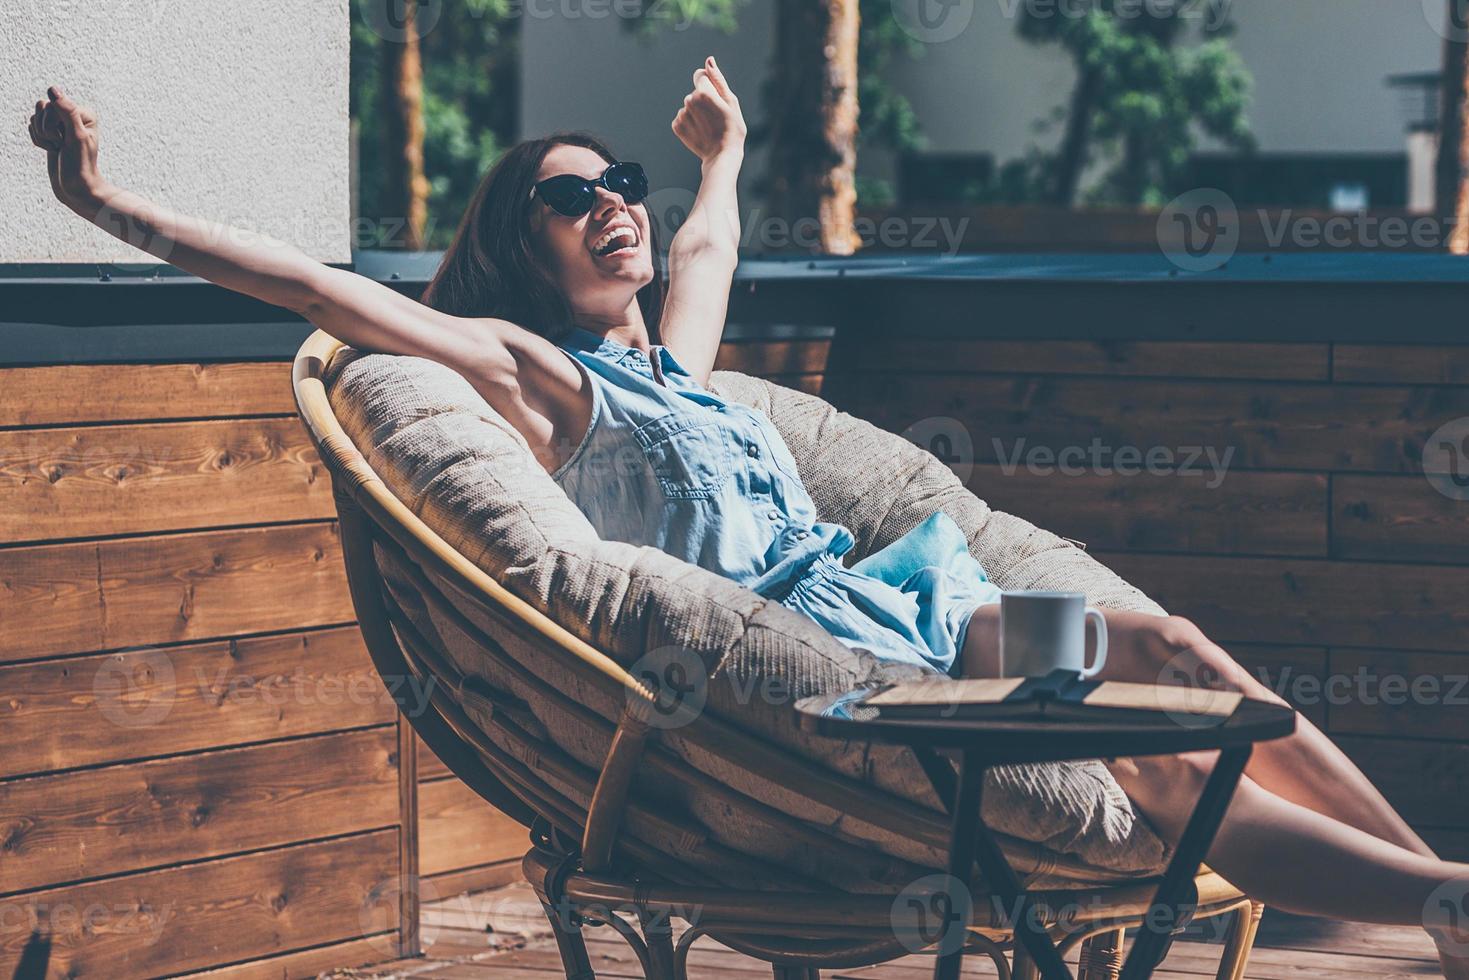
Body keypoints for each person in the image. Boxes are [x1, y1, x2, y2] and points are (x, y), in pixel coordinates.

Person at [26, 61, 1469, 975]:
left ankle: (1433, 901)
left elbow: (708, 247)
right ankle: (1433, 899)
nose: (612, 208)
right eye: (570, 198)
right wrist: (106, 202)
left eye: (620, 188)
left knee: (1171, 648)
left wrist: (714, 157)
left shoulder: (686, 372)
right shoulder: (543, 375)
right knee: (1147, 773)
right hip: (823, 658)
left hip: (904, 593)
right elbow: (327, 294)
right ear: (518, 246)